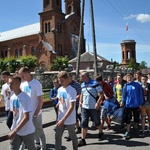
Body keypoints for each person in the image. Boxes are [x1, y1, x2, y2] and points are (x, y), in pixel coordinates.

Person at [18, 67, 46, 150]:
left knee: (39, 131)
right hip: (26, 113)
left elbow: (41, 101)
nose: (22, 78)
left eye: (23, 76)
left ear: (28, 73)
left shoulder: (36, 84)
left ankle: (43, 147)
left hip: (35, 113)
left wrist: (35, 114)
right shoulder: (22, 84)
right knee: (25, 131)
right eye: (20, 76)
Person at [8, 76, 36, 150]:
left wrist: (14, 131)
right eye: (9, 83)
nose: (9, 86)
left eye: (12, 83)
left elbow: (26, 117)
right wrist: (13, 129)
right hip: (16, 131)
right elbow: (14, 115)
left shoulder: (25, 98)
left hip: (27, 131)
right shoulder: (12, 97)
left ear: (18, 84)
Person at [78, 71, 104, 147]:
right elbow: (82, 93)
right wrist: (80, 101)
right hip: (85, 107)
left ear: (86, 76)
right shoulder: (82, 84)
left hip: (93, 107)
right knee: (84, 122)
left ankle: (100, 132)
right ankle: (83, 140)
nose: (80, 78)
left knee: (97, 122)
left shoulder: (94, 83)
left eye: (81, 76)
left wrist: (98, 103)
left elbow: (101, 93)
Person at [55, 71, 78, 150]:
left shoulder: (72, 90)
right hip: (60, 117)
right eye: (59, 81)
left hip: (69, 119)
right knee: (57, 136)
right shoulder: (60, 89)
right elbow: (60, 99)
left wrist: (63, 119)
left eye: (62, 81)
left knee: (73, 136)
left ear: (67, 80)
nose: (60, 83)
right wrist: (58, 104)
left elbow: (71, 107)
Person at [121, 73, 144, 139]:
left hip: (136, 105)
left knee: (136, 118)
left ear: (133, 77)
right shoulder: (125, 85)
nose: (129, 78)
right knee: (128, 119)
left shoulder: (137, 85)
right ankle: (127, 131)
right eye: (128, 77)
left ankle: (135, 129)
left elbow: (140, 95)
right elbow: (124, 95)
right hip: (128, 105)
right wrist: (123, 101)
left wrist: (140, 103)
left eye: (130, 77)